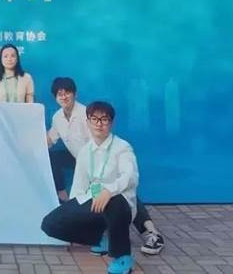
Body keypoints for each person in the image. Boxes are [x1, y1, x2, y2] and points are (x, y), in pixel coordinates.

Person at [46, 78, 165, 255]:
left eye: (67, 92)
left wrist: (104, 182)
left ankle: (151, 233)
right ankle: (99, 231)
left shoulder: (88, 114)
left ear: (75, 94)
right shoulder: (57, 118)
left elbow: (100, 141)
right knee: (58, 164)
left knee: (121, 193)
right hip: (82, 161)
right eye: (59, 94)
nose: (63, 97)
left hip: (102, 161)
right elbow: (50, 139)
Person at [42, 101, 137, 274]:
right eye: (94, 119)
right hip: (94, 201)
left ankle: (122, 256)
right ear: (88, 122)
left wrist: (108, 191)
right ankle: (100, 238)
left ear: (111, 123)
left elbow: (130, 177)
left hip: (120, 206)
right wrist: (73, 214)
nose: (99, 124)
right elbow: (79, 186)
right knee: (50, 223)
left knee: (115, 202)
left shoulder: (122, 147)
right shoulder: (85, 151)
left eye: (104, 119)